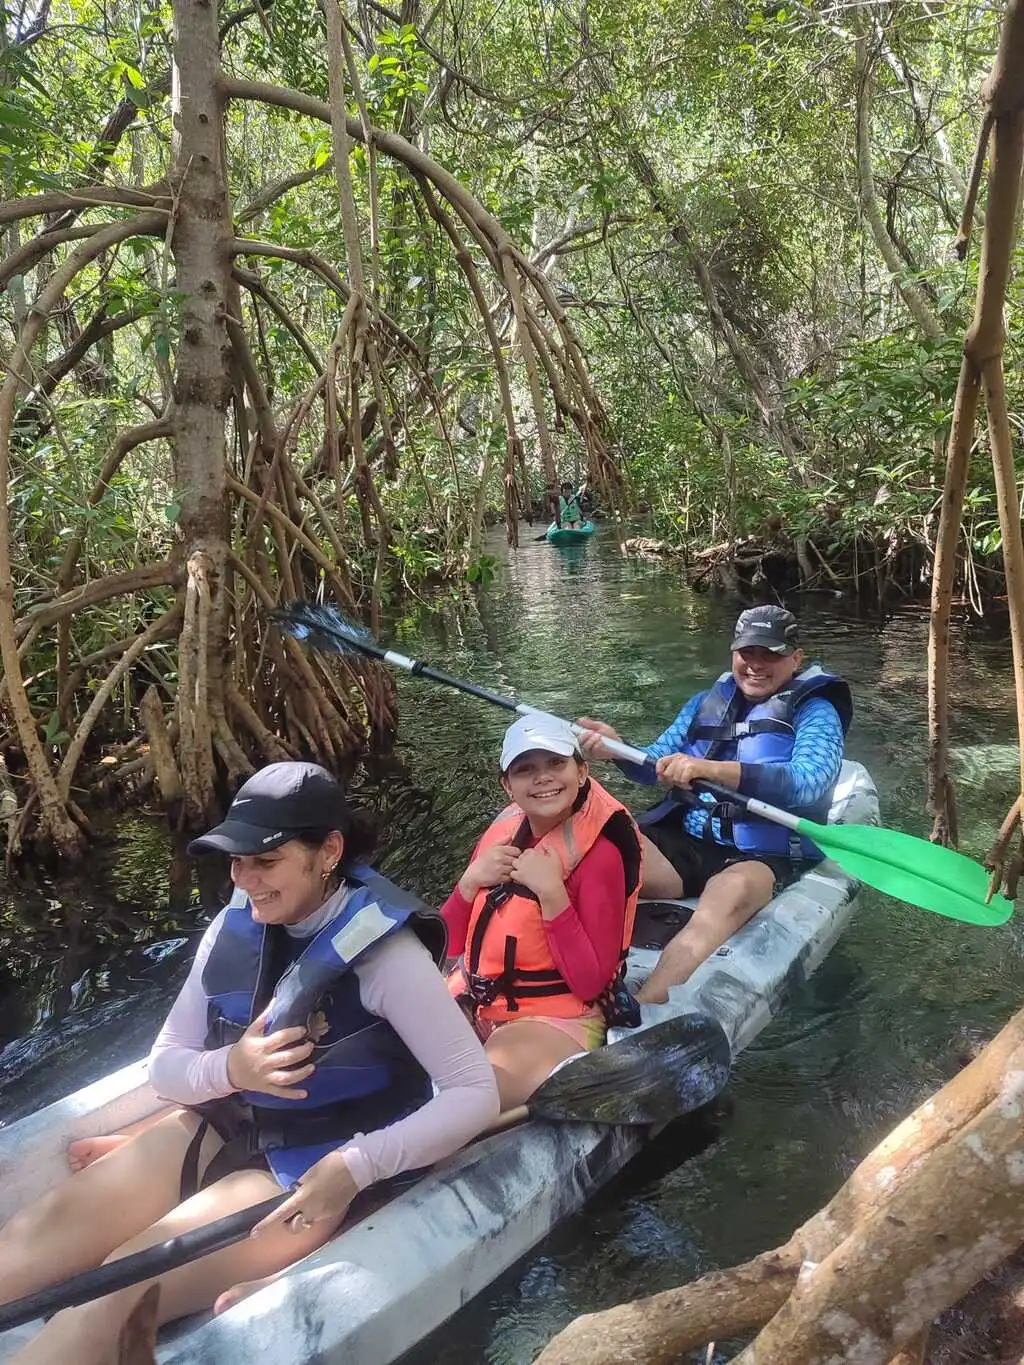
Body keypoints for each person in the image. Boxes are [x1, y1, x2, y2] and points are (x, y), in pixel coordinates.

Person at [0, 762, 499, 1361]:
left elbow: (474, 1093)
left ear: (329, 851)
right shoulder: (236, 922)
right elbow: (167, 1064)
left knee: (115, 1291)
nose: (246, 878)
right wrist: (231, 1071)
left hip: (308, 1174)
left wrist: (358, 1166)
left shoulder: (388, 958)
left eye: (266, 861)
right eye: (237, 861)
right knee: (26, 1247)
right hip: (222, 1126)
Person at [578, 605, 851, 1006]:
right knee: (598, 843)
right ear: (733, 654)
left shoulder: (815, 710)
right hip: (687, 843)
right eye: (747, 652)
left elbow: (809, 783)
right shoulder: (707, 702)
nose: (756, 664)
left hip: (761, 854)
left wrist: (714, 770)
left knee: (730, 892)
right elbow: (654, 766)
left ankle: (647, 1006)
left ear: (796, 657)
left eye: (771, 654)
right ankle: (566, 968)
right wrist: (617, 749)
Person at [443, 715, 642, 1110]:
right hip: (478, 1002)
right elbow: (446, 942)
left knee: (463, 1102)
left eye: (556, 763)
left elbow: (589, 983)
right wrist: (468, 884)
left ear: (581, 772)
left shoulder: (600, 857)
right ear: (508, 785)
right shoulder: (502, 837)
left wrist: (553, 895)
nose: (543, 778)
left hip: (555, 1017)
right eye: (525, 769)